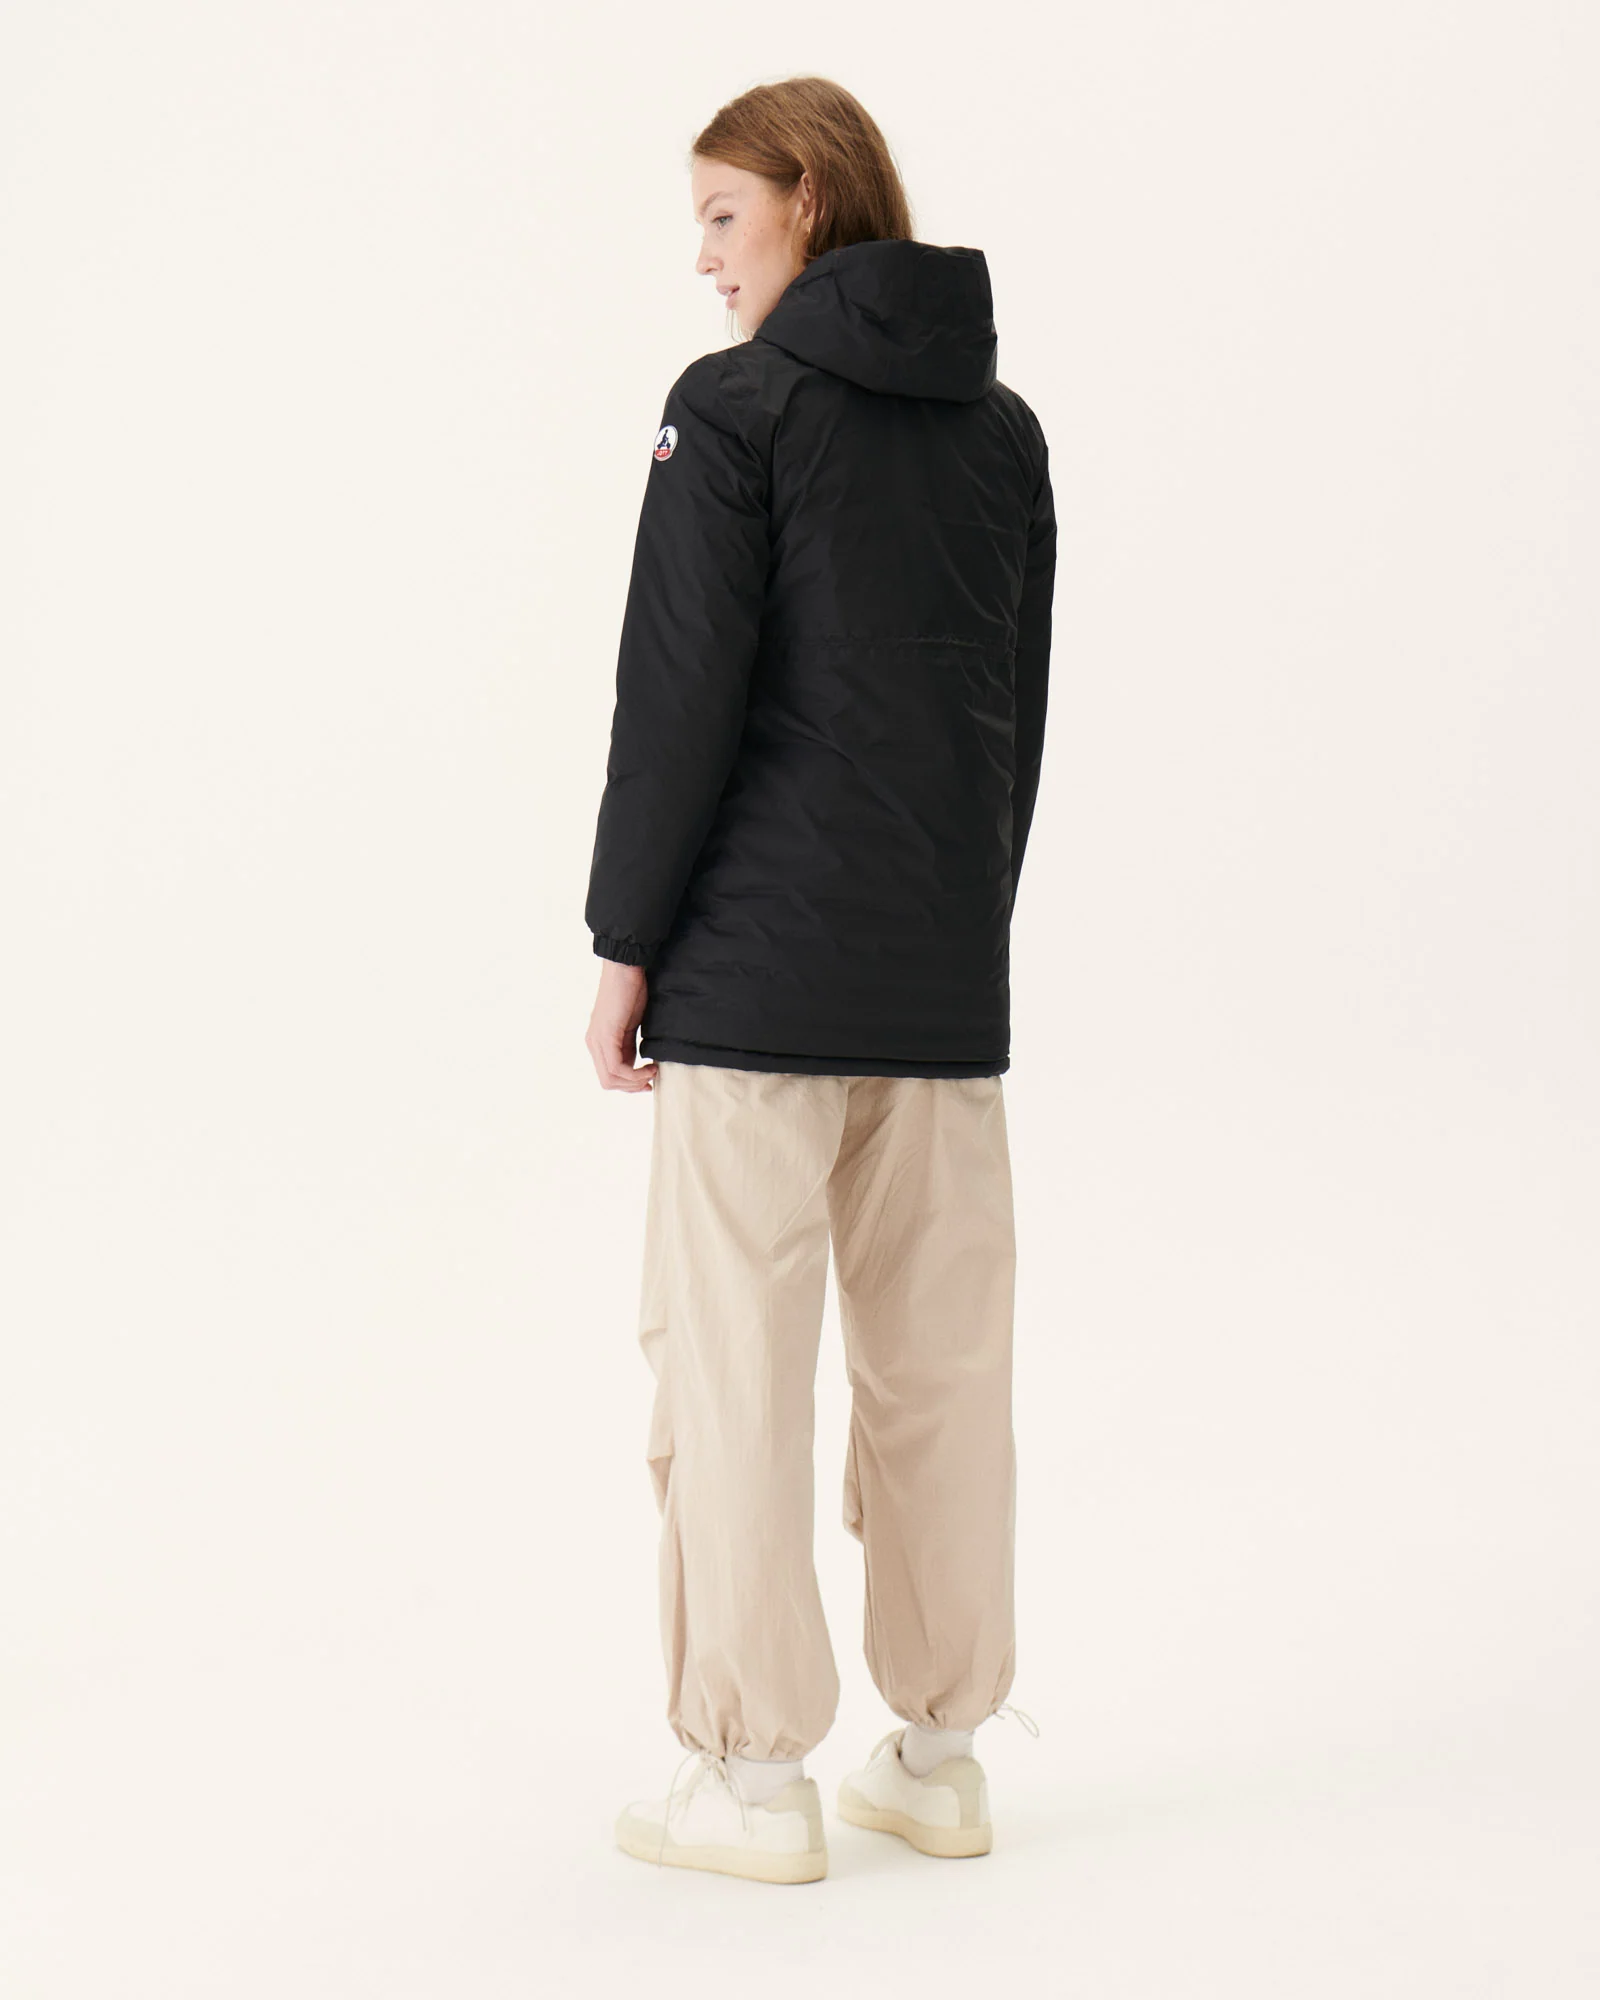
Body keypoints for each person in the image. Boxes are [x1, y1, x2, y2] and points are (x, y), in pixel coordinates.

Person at [585, 75, 1052, 1884]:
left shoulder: (733, 411)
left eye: (721, 215)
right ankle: (940, 1758)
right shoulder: (1003, 434)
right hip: (939, 995)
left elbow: (676, 705)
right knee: (943, 1375)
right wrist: (960, 937)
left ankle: (753, 1783)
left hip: (755, 995)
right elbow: (1011, 732)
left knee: (734, 1367)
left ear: (806, 195)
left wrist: (626, 946)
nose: (704, 262)